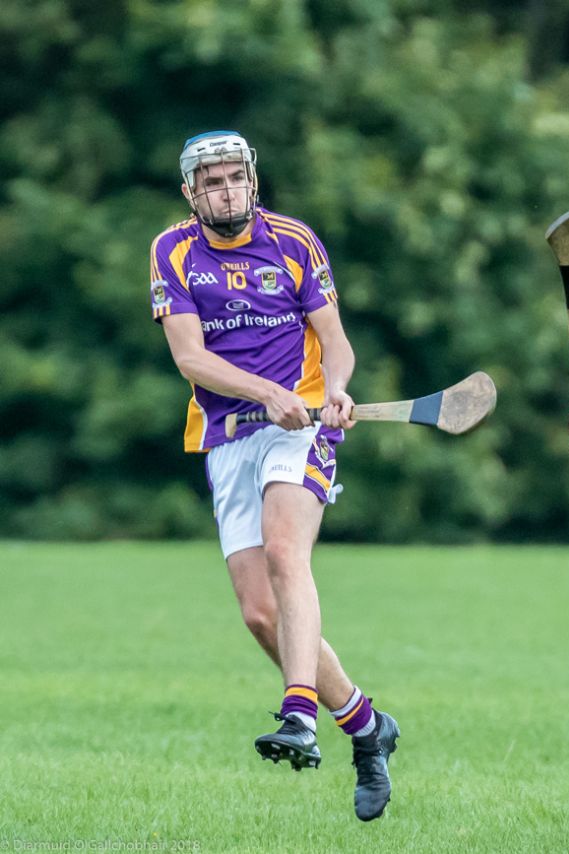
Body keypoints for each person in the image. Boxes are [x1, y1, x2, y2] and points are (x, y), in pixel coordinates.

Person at [149, 131, 399, 822]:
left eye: (235, 178)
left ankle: (299, 717)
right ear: (191, 193)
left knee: (289, 554)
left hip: (301, 430)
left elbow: (336, 341)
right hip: (229, 437)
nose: (226, 190)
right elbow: (191, 360)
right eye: (212, 182)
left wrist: (339, 388)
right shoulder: (172, 251)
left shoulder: (294, 241)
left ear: (252, 180)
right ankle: (365, 726)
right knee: (260, 613)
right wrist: (263, 393)